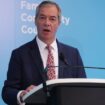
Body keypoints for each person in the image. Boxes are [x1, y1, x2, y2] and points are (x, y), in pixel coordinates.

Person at [2, 1, 86, 105]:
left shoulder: (73, 54)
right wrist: (22, 95)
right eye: (42, 17)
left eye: (52, 19)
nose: (47, 23)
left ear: (59, 23)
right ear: (35, 21)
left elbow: (83, 89)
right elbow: (7, 91)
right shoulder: (20, 54)